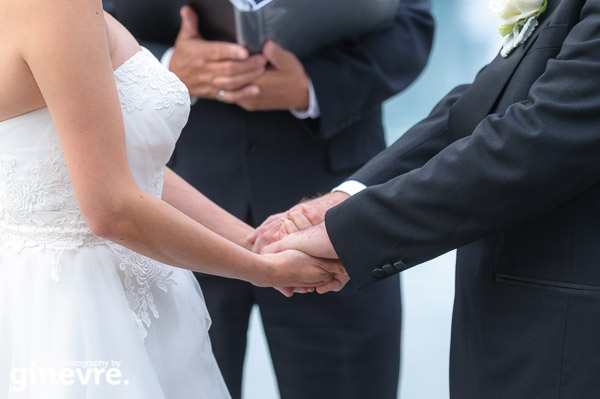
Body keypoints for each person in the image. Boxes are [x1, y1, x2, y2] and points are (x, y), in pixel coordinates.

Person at [0, 0, 346, 397]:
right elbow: (111, 208)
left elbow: (124, 166)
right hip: (85, 313)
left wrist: (258, 242)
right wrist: (264, 270)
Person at [257, 0, 600, 397]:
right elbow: (488, 98)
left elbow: (540, 138)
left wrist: (349, 232)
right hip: (504, 329)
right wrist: (344, 199)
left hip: (567, 346)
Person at [109, 0, 433, 398]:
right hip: (172, 215)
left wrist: (315, 86)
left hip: (330, 217)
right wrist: (165, 70)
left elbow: (411, 19)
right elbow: (85, 21)